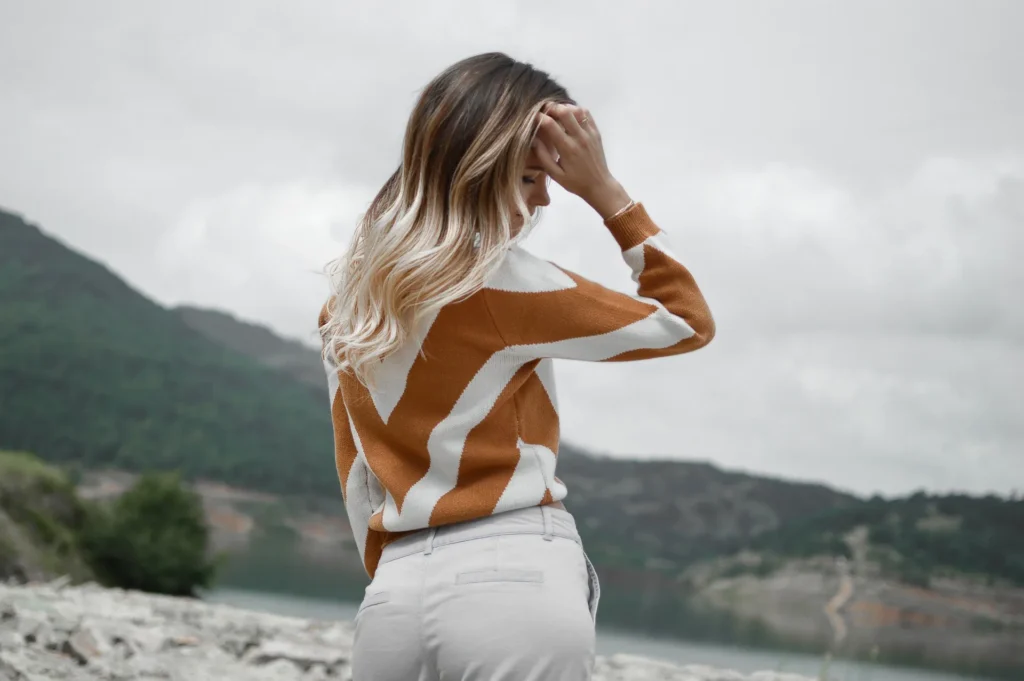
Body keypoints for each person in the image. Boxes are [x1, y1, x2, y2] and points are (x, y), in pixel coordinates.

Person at [318, 52, 715, 681]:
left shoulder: (348, 300)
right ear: (480, 168)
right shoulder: (507, 285)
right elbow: (687, 321)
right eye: (532, 177)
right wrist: (608, 194)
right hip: (513, 572)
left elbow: (356, 472)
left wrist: (397, 572)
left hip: (395, 587)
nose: (547, 199)